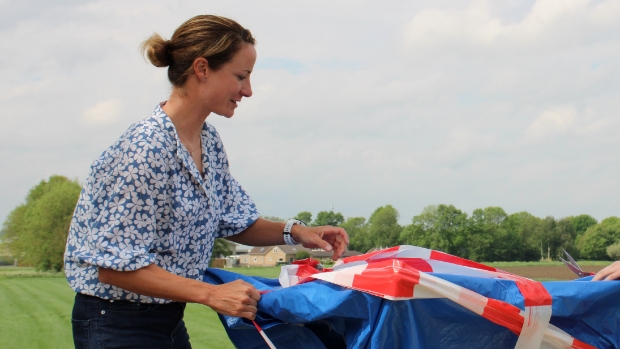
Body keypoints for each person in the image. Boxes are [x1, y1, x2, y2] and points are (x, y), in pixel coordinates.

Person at [64, 15, 349, 349]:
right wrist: (212, 294)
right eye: (240, 76)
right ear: (202, 69)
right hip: (114, 323)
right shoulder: (145, 149)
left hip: (167, 320)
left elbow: (235, 220)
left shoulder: (208, 141)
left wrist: (298, 233)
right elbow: (113, 268)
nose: (248, 90)